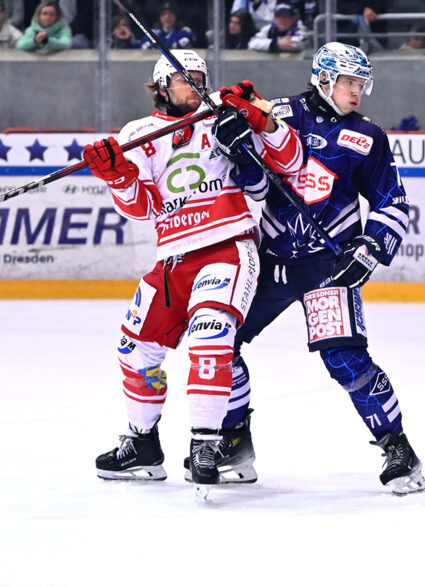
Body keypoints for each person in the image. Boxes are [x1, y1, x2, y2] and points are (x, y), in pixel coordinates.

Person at [212, 42, 425, 496]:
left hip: (331, 265)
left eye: (360, 84)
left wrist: (370, 247)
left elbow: (393, 200)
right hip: (272, 258)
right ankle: (234, 442)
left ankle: (399, 448)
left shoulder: (367, 136)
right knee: (220, 342)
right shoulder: (278, 114)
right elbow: (249, 177)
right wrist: (231, 134)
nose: (357, 93)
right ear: (324, 78)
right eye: (349, 83)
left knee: (346, 360)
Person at [92, 49, 304, 488]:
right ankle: (142, 445)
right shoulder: (140, 133)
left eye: (200, 77)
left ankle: (207, 443)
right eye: (185, 78)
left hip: (226, 247)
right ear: (162, 86)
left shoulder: (223, 117)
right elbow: (144, 209)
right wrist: (119, 178)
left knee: (211, 341)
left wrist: (258, 119)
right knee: (135, 350)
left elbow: (292, 159)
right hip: (171, 261)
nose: (195, 84)